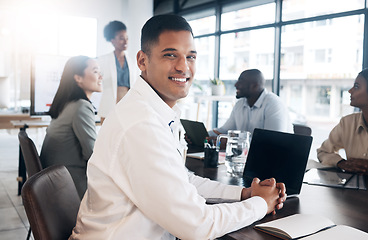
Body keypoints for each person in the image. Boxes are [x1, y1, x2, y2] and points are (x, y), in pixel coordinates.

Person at [69, 15, 286, 240]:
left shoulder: (155, 111)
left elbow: (182, 180)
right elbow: (197, 226)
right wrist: (261, 203)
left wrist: (244, 193)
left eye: (190, 56)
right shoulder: (140, 123)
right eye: (170, 55)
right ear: (142, 61)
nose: (184, 66)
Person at [40, 56, 102, 198]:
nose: (101, 76)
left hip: (55, 180)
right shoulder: (81, 106)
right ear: (78, 78)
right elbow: (92, 154)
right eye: (95, 71)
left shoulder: (68, 104)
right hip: (69, 182)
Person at [208, 69, 290, 137]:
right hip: (247, 155)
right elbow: (224, 131)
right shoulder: (240, 104)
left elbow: (272, 141)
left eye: (241, 81)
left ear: (254, 86)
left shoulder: (274, 104)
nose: (236, 85)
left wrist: (232, 141)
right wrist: (204, 135)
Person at [317, 69, 368, 174]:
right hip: (353, 189)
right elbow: (323, 152)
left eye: (357, 87)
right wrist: (341, 163)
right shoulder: (347, 123)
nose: (350, 91)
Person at [98, 20, 137, 123]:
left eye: (127, 38)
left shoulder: (132, 62)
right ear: (112, 40)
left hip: (127, 106)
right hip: (109, 105)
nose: (125, 41)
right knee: (107, 136)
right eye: (121, 38)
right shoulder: (103, 60)